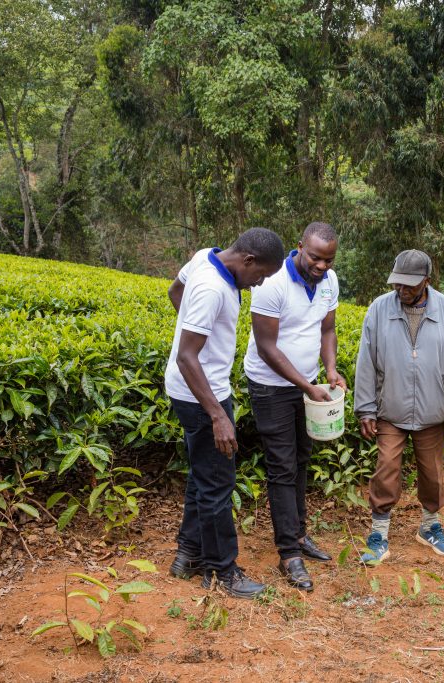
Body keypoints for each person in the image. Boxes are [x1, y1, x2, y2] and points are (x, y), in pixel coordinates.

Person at [165, 228, 285, 599]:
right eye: (260, 275)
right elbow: (188, 357)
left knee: (203, 475)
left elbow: (174, 291)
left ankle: (188, 554)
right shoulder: (213, 289)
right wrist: (218, 416)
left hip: (196, 389)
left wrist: (200, 327)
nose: (257, 284)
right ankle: (223, 570)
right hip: (203, 396)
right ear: (248, 260)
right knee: (218, 483)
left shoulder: (206, 255)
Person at [243, 221, 347, 592]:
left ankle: (299, 534)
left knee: (303, 459)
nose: (322, 266)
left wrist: (330, 371)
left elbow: (327, 330)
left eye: (329, 260)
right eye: (316, 258)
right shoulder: (271, 284)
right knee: (282, 465)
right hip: (271, 386)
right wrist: (307, 385)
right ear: (300, 246)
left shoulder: (330, 282)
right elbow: (268, 348)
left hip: (309, 384)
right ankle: (288, 552)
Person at [353, 250, 444, 563]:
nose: (402, 290)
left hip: (434, 411)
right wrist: (365, 408)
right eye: (398, 284)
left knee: (432, 473)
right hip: (390, 409)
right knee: (387, 468)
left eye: (409, 285)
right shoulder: (379, 309)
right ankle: (378, 532)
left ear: (426, 282)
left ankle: (430, 527)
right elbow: (366, 362)